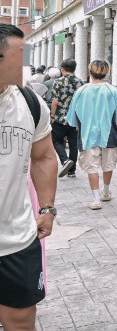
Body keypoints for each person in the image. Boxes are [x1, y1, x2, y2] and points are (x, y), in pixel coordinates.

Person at [0, 25, 58, 331]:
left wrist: (47, 209)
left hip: (18, 240)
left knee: (21, 322)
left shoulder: (30, 103)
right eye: (20, 52)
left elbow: (44, 157)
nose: (27, 61)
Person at [65, 60, 117, 210]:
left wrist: (79, 127)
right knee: (108, 164)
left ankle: (96, 199)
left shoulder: (81, 91)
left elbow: (72, 117)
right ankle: (106, 191)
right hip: (109, 133)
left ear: (89, 71)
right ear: (106, 72)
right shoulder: (112, 90)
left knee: (91, 167)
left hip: (87, 134)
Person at [49, 58, 84, 178]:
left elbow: (55, 101)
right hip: (75, 119)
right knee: (74, 145)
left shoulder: (58, 82)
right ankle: (72, 171)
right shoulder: (80, 82)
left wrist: (52, 116)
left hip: (60, 118)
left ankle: (64, 160)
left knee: (56, 140)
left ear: (62, 69)